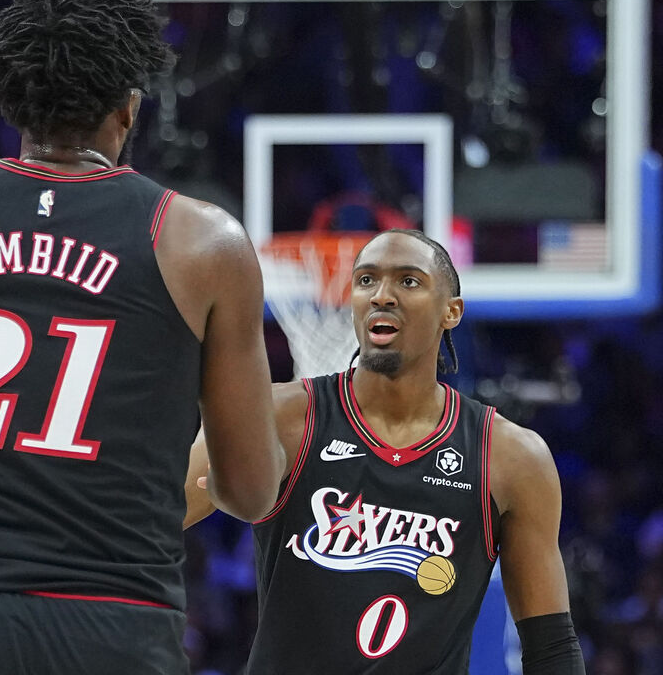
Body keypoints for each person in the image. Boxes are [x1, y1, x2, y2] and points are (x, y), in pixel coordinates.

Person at [0, 0, 284, 674]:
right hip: (113, 622)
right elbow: (251, 490)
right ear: (129, 106)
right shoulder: (203, 241)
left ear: (11, 101)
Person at [186, 228, 585, 673]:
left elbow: (551, 647)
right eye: (366, 280)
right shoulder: (277, 417)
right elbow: (141, 524)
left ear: (451, 311)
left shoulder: (511, 457)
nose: (381, 295)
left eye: (408, 281)